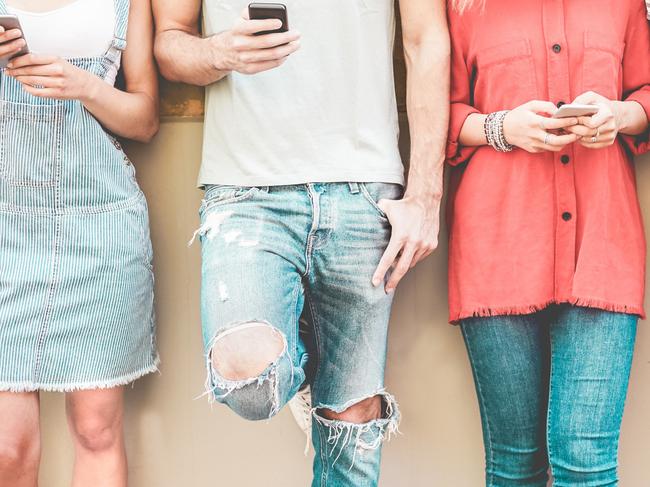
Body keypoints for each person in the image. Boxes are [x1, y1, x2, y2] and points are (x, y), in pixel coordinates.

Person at [153, 0, 449, 484]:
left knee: (351, 429)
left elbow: (426, 39)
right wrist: (219, 53)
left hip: (365, 188)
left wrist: (425, 196)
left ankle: (329, 382)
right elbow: (169, 42)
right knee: (250, 379)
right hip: (246, 194)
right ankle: (309, 369)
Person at [447, 0, 650, 485]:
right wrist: (504, 127)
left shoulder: (624, 5)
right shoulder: (463, 8)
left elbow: (645, 94)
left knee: (588, 468)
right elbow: (439, 112)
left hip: (602, 249)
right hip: (497, 251)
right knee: (515, 467)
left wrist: (618, 115)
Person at [0, 0, 159, 485]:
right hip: (5, 232)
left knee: (96, 430)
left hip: (101, 232)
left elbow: (145, 119)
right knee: (8, 448)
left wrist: (85, 86)